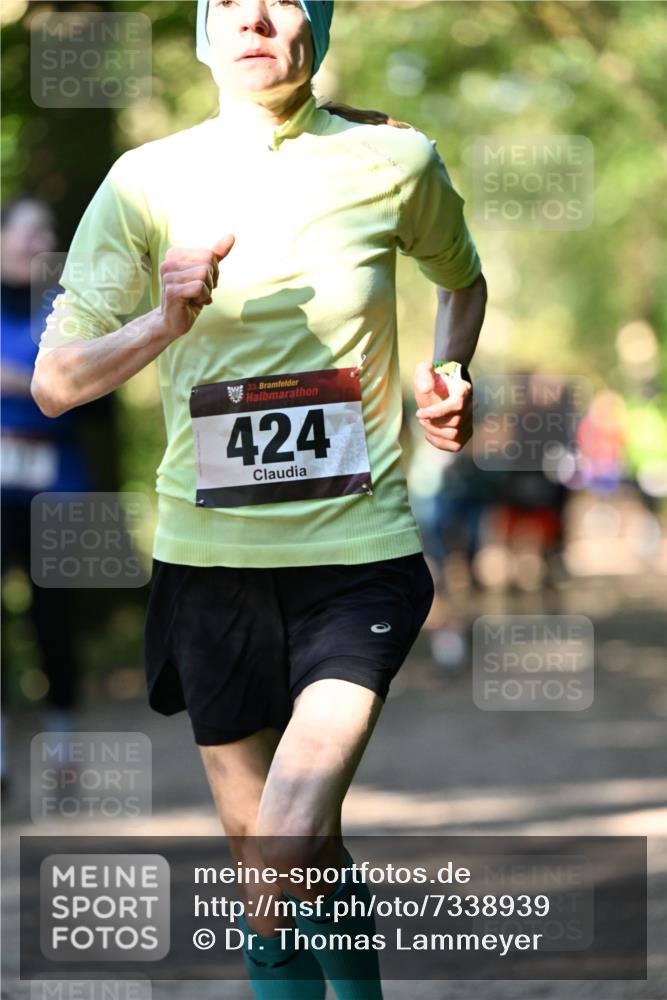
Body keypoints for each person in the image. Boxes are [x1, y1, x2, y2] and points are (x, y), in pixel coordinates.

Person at [31, 1, 487, 995]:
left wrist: (450, 375)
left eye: (283, 0)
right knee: (269, 863)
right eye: (231, 3)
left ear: (314, 25)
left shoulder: (393, 162)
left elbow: (462, 280)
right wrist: (163, 320)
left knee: (283, 835)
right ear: (205, 30)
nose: (256, 19)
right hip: (209, 567)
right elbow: (57, 382)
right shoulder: (144, 179)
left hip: (356, 556)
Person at [1, 196, 93, 797]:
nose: (43, 239)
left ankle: (63, 751)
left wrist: (19, 383)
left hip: (57, 488)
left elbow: (92, 393)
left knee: (54, 620)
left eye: (49, 230)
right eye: (31, 229)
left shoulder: (67, 307)